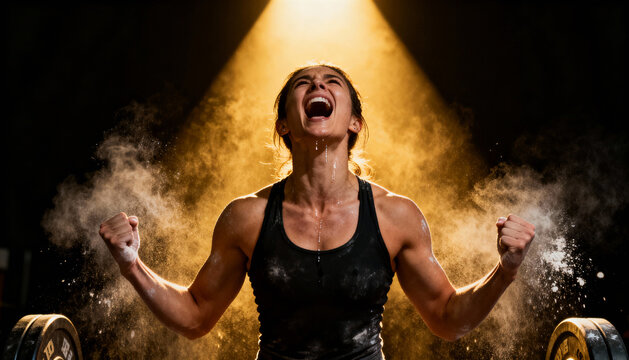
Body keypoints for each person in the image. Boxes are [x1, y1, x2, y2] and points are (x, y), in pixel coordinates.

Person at [99, 64, 535, 359]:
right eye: (303, 84)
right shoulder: (246, 217)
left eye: (332, 82)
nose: (318, 87)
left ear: (354, 123)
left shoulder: (394, 216)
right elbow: (195, 316)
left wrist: (507, 271)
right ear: (283, 125)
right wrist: (131, 265)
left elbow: (446, 319)